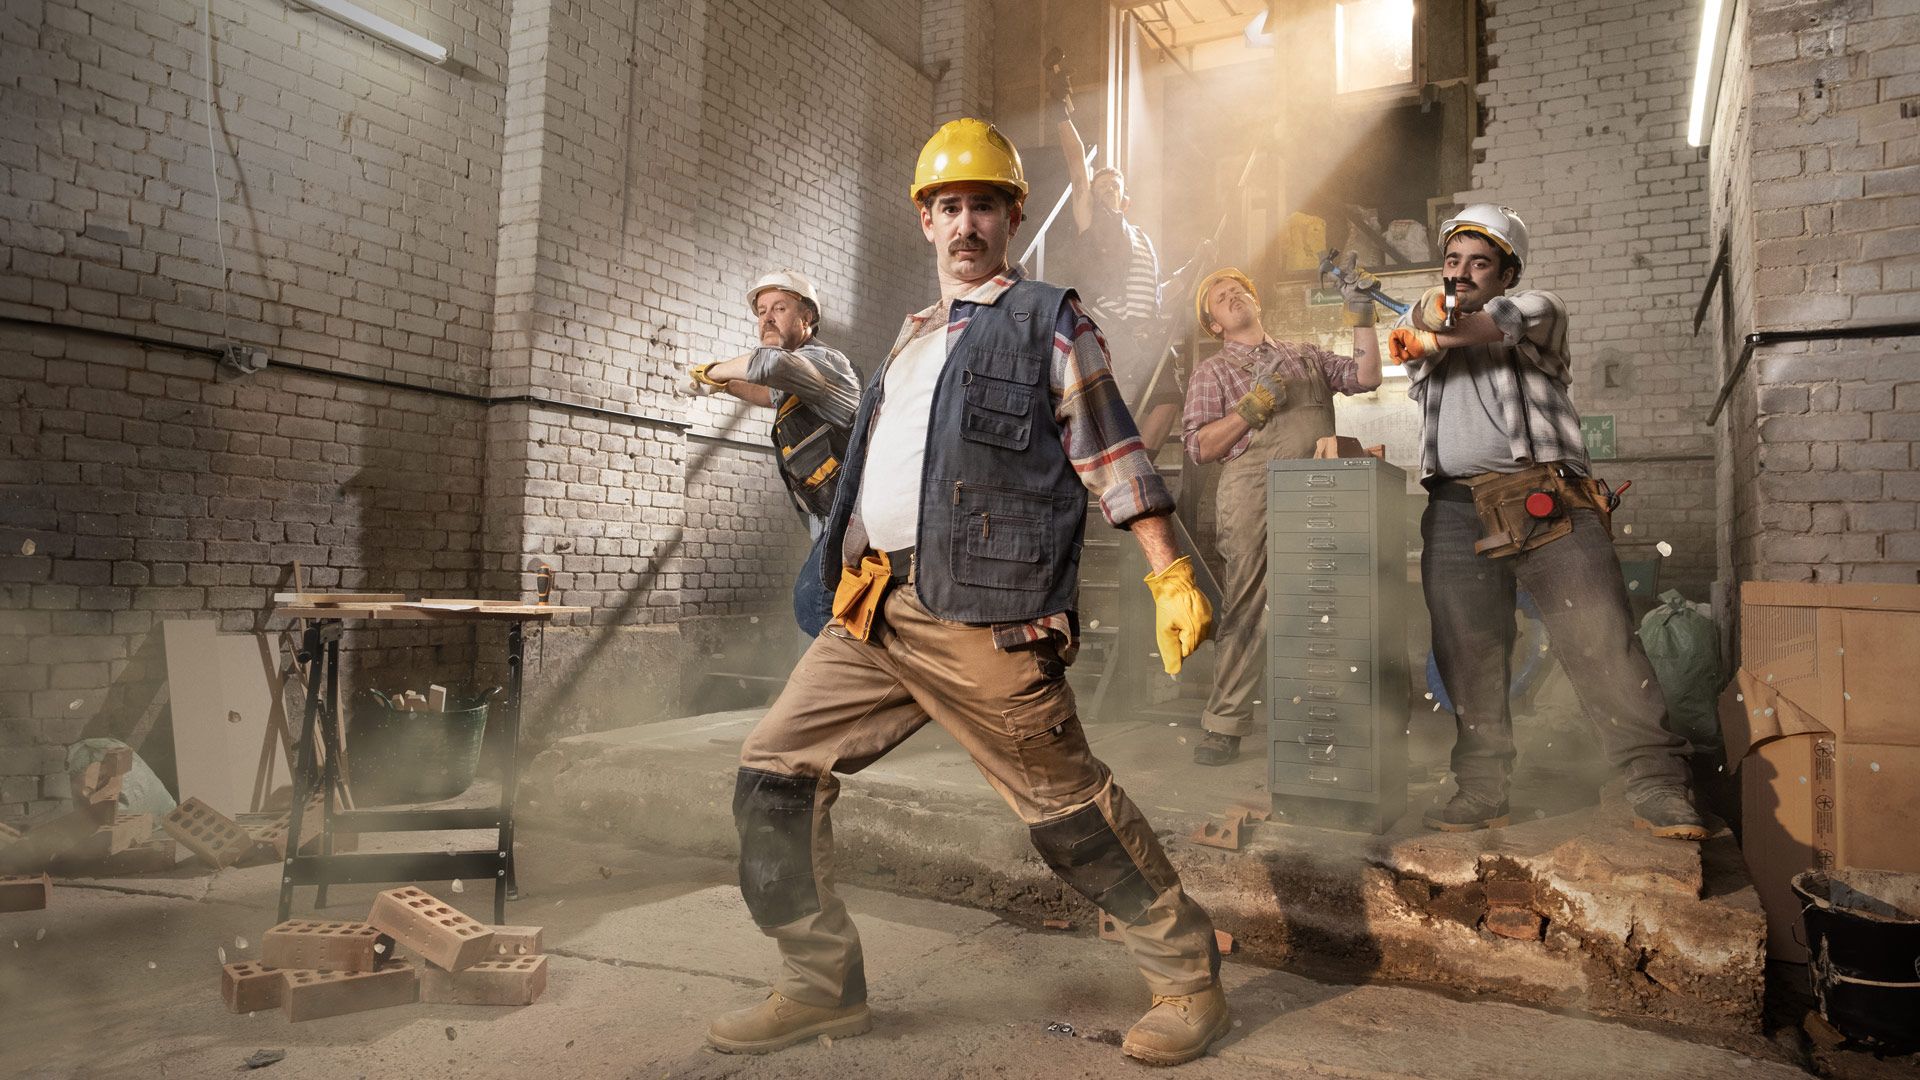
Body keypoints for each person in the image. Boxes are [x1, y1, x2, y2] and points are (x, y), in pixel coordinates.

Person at [707, 118, 1232, 1067]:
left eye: (982, 206)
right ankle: (820, 985)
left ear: (1012, 217)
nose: (964, 225)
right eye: (947, 207)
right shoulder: (906, 346)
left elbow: (1108, 444)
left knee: (1070, 815)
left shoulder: (1047, 321)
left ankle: (1189, 978)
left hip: (984, 615)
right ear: (925, 221)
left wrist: (1168, 567)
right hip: (874, 610)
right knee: (770, 778)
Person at [1386, 203, 1706, 840]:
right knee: (1467, 653)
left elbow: (1485, 328)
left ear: (1507, 274)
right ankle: (1482, 788)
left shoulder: (1540, 309)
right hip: (1453, 506)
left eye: (1480, 263)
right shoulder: (1430, 321)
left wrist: (1432, 327)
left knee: (1600, 636)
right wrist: (1426, 318)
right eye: (1452, 262)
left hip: (1547, 497)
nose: (1462, 273)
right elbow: (1407, 342)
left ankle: (1658, 783)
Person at [1179, 263, 1384, 766]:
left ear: (1256, 301)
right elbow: (1198, 447)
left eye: (1238, 289)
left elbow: (1366, 376)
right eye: (1220, 297)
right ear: (1214, 325)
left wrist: (1362, 313)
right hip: (1253, 491)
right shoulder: (1214, 372)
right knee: (1248, 602)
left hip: (1321, 487)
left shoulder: (1305, 356)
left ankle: (1335, 722)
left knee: (1328, 603)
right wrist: (1248, 411)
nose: (1232, 297)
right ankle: (1225, 724)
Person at [1045, 49, 1209, 452]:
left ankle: (1138, 466)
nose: (1103, 188)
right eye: (1100, 185)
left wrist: (1195, 264)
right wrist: (1062, 112)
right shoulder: (1092, 220)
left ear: (1126, 199)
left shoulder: (1142, 241)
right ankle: (1101, 466)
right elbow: (1078, 173)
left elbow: (1159, 294)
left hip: (1147, 335)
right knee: (1106, 407)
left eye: (1112, 186)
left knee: (1169, 399)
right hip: (1111, 330)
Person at [689, 270, 859, 636]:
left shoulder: (824, 363)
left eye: (779, 308)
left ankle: (872, 681)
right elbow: (770, 394)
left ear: (807, 317)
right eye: (761, 310)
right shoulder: (798, 376)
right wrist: (725, 389)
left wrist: (710, 372)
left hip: (853, 512)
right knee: (823, 613)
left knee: (812, 603)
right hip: (830, 516)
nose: (766, 318)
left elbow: (770, 365)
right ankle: (830, 686)